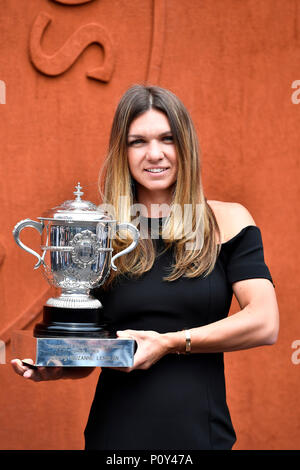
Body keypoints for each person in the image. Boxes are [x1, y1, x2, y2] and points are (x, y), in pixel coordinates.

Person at [11, 84, 279, 450]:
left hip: (202, 434)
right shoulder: (102, 232)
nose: (155, 154)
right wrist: (59, 366)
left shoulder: (228, 221)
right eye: (138, 141)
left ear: (185, 145)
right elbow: (96, 350)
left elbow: (265, 323)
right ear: (122, 151)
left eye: (167, 138)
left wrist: (168, 343)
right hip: (115, 436)